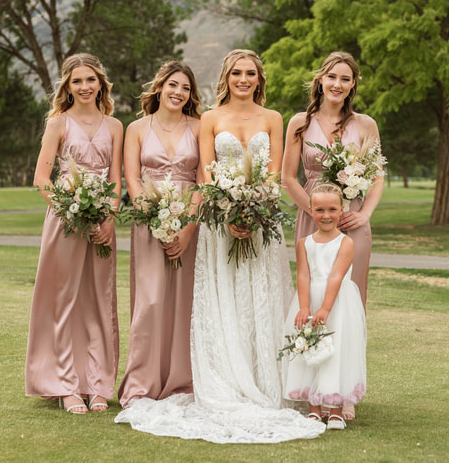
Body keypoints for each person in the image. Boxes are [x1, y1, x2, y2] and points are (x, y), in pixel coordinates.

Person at [115, 49, 325, 443]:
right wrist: (228, 212)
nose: (243, 80)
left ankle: (266, 381)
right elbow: (206, 173)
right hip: (218, 223)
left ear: (259, 79)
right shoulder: (209, 119)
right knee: (224, 300)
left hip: (261, 224)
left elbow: (276, 174)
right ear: (226, 77)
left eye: (250, 74)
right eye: (236, 73)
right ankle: (223, 379)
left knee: (260, 302)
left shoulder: (273, 118)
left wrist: (253, 209)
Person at [281, 51, 382, 420]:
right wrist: (319, 213)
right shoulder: (298, 123)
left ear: (353, 85)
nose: (337, 84)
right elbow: (288, 178)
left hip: (353, 221)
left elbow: (376, 176)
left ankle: (345, 391)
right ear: (320, 80)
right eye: (332, 77)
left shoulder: (366, 125)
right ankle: (313, 388)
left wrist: (363, 214)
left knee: (350, 306)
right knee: (312, 299)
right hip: (312, 218)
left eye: (345, 78)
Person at [25, 53, 123, 414]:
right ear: (67, 85)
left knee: (98, 301)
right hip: (65, 221)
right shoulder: (58, 124)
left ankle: (96, 384)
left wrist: (108, 218)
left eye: (91, 80)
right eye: (77, 81)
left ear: (101, 83)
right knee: (63, 301)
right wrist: (70, 210)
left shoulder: (115, 126)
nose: (84, 87)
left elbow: (116, 178)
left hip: (102, 222)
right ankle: (65, 384)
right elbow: (41, 179)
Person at [117, 61, 202, 409]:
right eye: (172, 85)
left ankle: (182, 381)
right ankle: (141, 384)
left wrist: (185, 229)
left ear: (190, 94)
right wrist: (154, 218)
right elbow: (132, 179)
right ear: (160, 87)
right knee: (150, 302)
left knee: (185, 302)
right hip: (148, 221)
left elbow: (204, 180)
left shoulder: (199, 126)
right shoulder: (136, 128)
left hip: (190, 221)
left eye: (185, 87)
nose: (178, 92)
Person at [282, 183, 367, 431]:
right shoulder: (303, 243)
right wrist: (304, 307)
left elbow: (335, 277)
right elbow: (303, 277)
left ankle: (336, 409)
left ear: (342, 209)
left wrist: (325, 309)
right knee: (309, 350)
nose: (326, 215)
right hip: (310, 300)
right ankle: (315, 409)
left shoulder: (346, 243)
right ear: (310, 210)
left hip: (337, 303)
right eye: (319, 210)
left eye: (332, 209)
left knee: (336, 351)